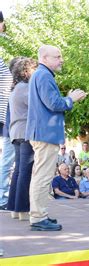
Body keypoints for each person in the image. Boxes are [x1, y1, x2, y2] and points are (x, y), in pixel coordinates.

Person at [26, 45, 87, 231]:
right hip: (45, 134)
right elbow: (53, 103)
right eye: (57, 56)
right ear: (44, 58)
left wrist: (66, 99)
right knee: (42, 177)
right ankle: (38, 218)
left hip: (42, 133)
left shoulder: (40, 75)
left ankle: (39, 215)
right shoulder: (44, 76)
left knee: (40, 176)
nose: (61, 59)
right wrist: (71, 99)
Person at [6, 57, 37, 221]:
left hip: (16, 133)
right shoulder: (25, 88)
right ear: (26, 71)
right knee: (25, 171)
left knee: (18, 171)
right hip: (25, 133)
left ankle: (15, 208)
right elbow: (37, 107)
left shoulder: (16, 88)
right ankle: (23, 209)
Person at [0, 45, 14, 210]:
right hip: (9, 124)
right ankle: (2, 197)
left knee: (8, 162)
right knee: (7, 161)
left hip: (7, 122)